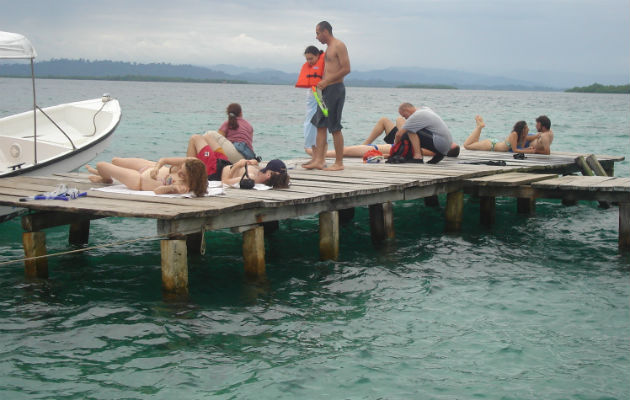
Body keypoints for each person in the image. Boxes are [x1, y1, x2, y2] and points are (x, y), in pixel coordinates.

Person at [303, 21, 351, 171]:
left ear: (325, 32)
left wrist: (327, 81)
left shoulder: (339, 45)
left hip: (335, 90)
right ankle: (319, 160)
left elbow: (346, 68)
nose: (316, 37)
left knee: (334, 127)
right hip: (324, 92)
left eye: (318, 33)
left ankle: (339, 163)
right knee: (320, 124)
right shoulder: (328, 49)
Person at [305, 115, 460, 159]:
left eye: (451, 144)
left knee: (351, 151)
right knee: (385, 120)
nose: (450, 141)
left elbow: (417, 150)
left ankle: (321, 153)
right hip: (402, 142)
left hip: (398, 146)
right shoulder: (437, 142)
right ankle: (365, 143)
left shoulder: (435, 149)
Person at [86, 157, 208, 197]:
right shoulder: (192, 162)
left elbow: (157, 191)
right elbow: (164, 160)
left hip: (138, 180)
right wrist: (156, 168)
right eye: (181, 167)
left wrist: (172, 188)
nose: (179, 170)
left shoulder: (183, 187)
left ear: (192, 176)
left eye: (182, 173)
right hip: (149, 167)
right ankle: (104, 175)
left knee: (100, 165)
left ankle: (106, 178)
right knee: (115, 160)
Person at [296, 45, 326, 165]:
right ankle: (315, 157)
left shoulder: (324, 65)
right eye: (307, 59)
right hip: (312, 93)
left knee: (322, 126)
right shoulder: (310, 67)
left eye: (311, 59)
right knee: (310, 126)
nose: (309, 61)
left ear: (318, 56)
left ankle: (321, 159)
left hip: (320, 94)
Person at [463, 115, 542, 154]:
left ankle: (479, 126)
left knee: (474, 143)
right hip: (490, 145)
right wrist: (529, 151)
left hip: (494, 144)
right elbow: (515, 150)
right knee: (467, 146)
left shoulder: (520, 136)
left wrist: (528, 147)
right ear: (522, 129)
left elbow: (524, 143)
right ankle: (479, 127)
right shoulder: (514, 134)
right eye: (527, 128)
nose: (528, 129)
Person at [221, 158, 290, 189]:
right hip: (225, 164)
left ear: (268, 175)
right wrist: (254, 162)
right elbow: (260, 169)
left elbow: (224, 181)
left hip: (219, 169)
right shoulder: (263, 177)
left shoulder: (250, 177)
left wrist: (237, 165)